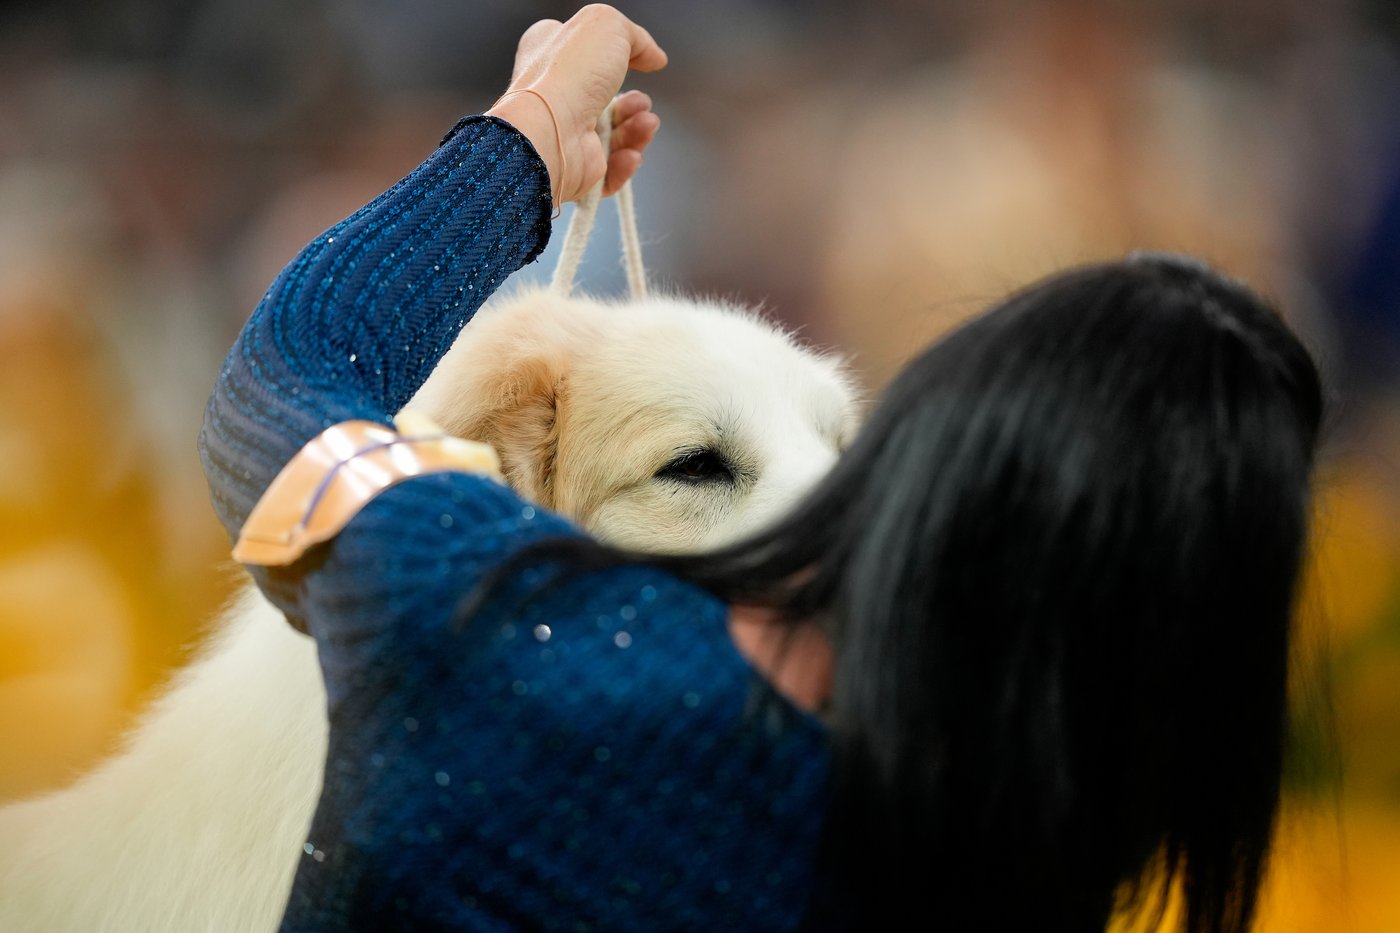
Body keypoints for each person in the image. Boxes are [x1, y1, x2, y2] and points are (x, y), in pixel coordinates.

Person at [200, 6, 1323, 931]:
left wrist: (529, 141)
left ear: (931, 443)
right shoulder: (1031, 885)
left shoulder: (506, 647)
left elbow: (286, 377)